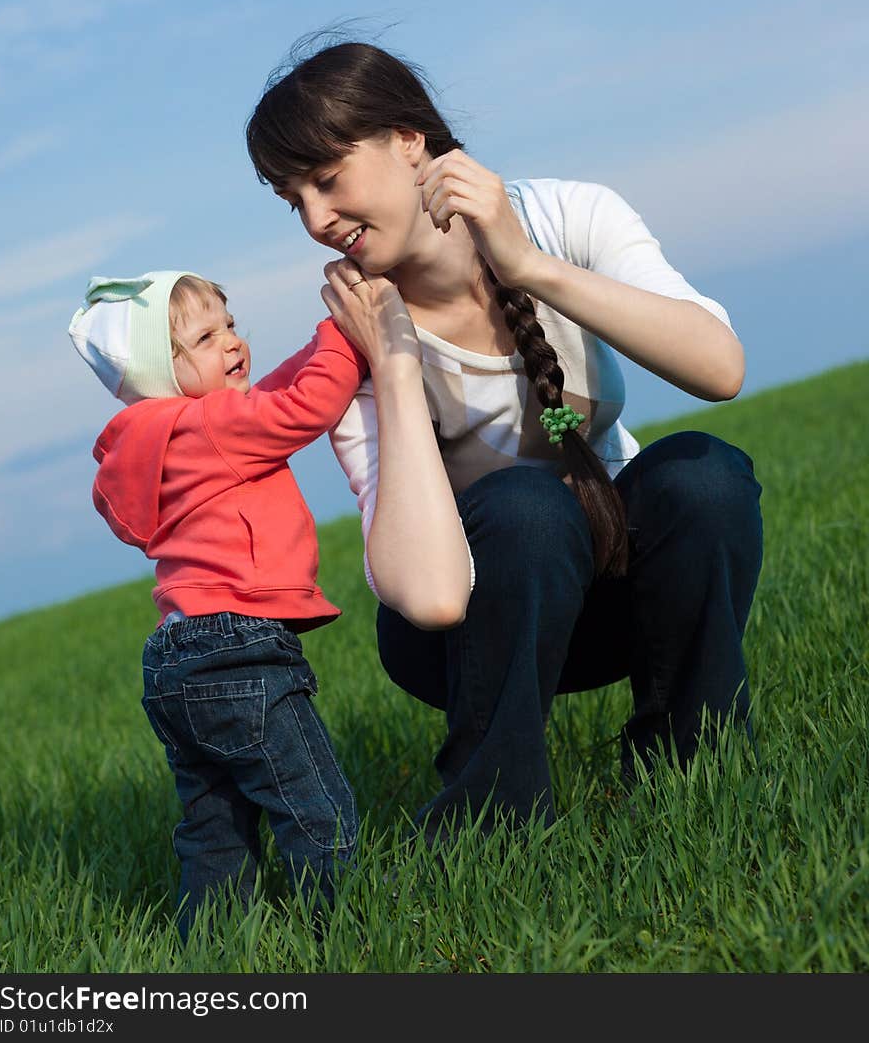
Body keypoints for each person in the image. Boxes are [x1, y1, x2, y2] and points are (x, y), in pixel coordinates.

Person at [245, 41, 764, 843]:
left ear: (408, 141)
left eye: (327, 178)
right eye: (293, 200)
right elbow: (428, 596)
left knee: (705, 475)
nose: (315, 220)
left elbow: (720, 367)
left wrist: (528, 264)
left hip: (620, 578)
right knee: (523, 507)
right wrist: (392, 361)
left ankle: (698, 767)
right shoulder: (353, 342)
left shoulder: (567, 216)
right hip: (469, 630)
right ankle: (496, 822)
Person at [69, 270, 366, 935]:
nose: (232, 341)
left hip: (175, 658)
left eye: (229, 324)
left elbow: (269, 392)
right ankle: (347, 932)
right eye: (206, 336)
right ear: (161, 372)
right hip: (240, 650)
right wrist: (348, 334)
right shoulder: (212, 424)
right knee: (317, 807)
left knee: (214, 830)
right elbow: (303, 406)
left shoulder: (155, 439)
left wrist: (318, 345)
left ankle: (208, 948)